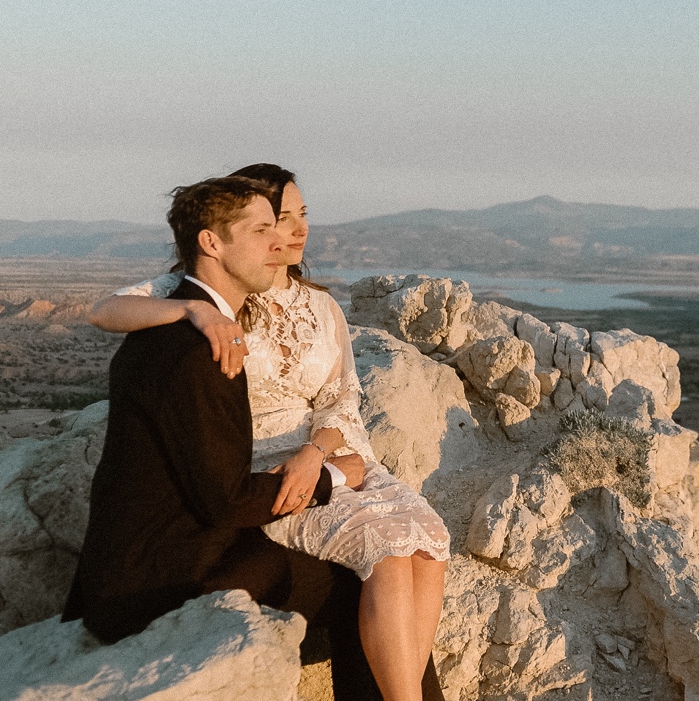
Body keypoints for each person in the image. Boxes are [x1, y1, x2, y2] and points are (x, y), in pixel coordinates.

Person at [90, 166, 449, 701]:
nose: (293, 232)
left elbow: (340, 397)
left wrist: (318, 454)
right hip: (255, 469)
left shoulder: (319, 306)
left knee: (427, 547)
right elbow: (103, 310)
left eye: (301, 216)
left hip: (322, 448)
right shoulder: (213, 302)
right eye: (276, 221)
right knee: (385, 560)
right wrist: (191, 310)